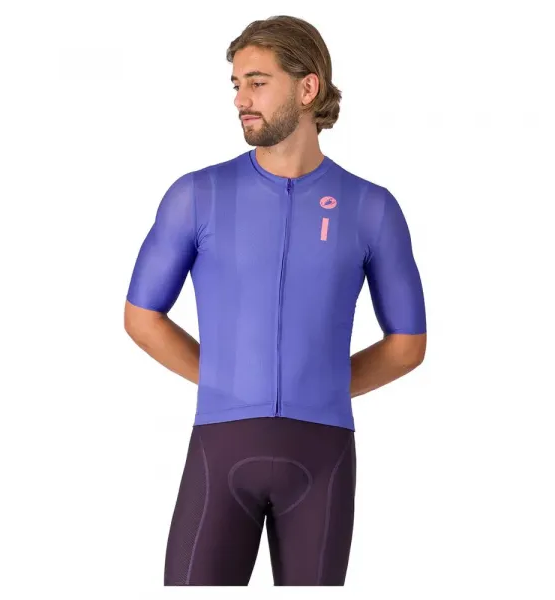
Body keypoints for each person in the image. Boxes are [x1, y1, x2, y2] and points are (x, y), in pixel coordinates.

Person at [124, 15, 427, 586]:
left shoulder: (371, 207)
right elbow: (141, 317)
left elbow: (408, 344)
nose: (241, 99)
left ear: (307, 88)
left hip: (323, 459)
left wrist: (319, 385)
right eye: (237, 84)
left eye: (257, 83)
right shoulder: (198, 195)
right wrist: (228, 380)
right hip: (221, 450)